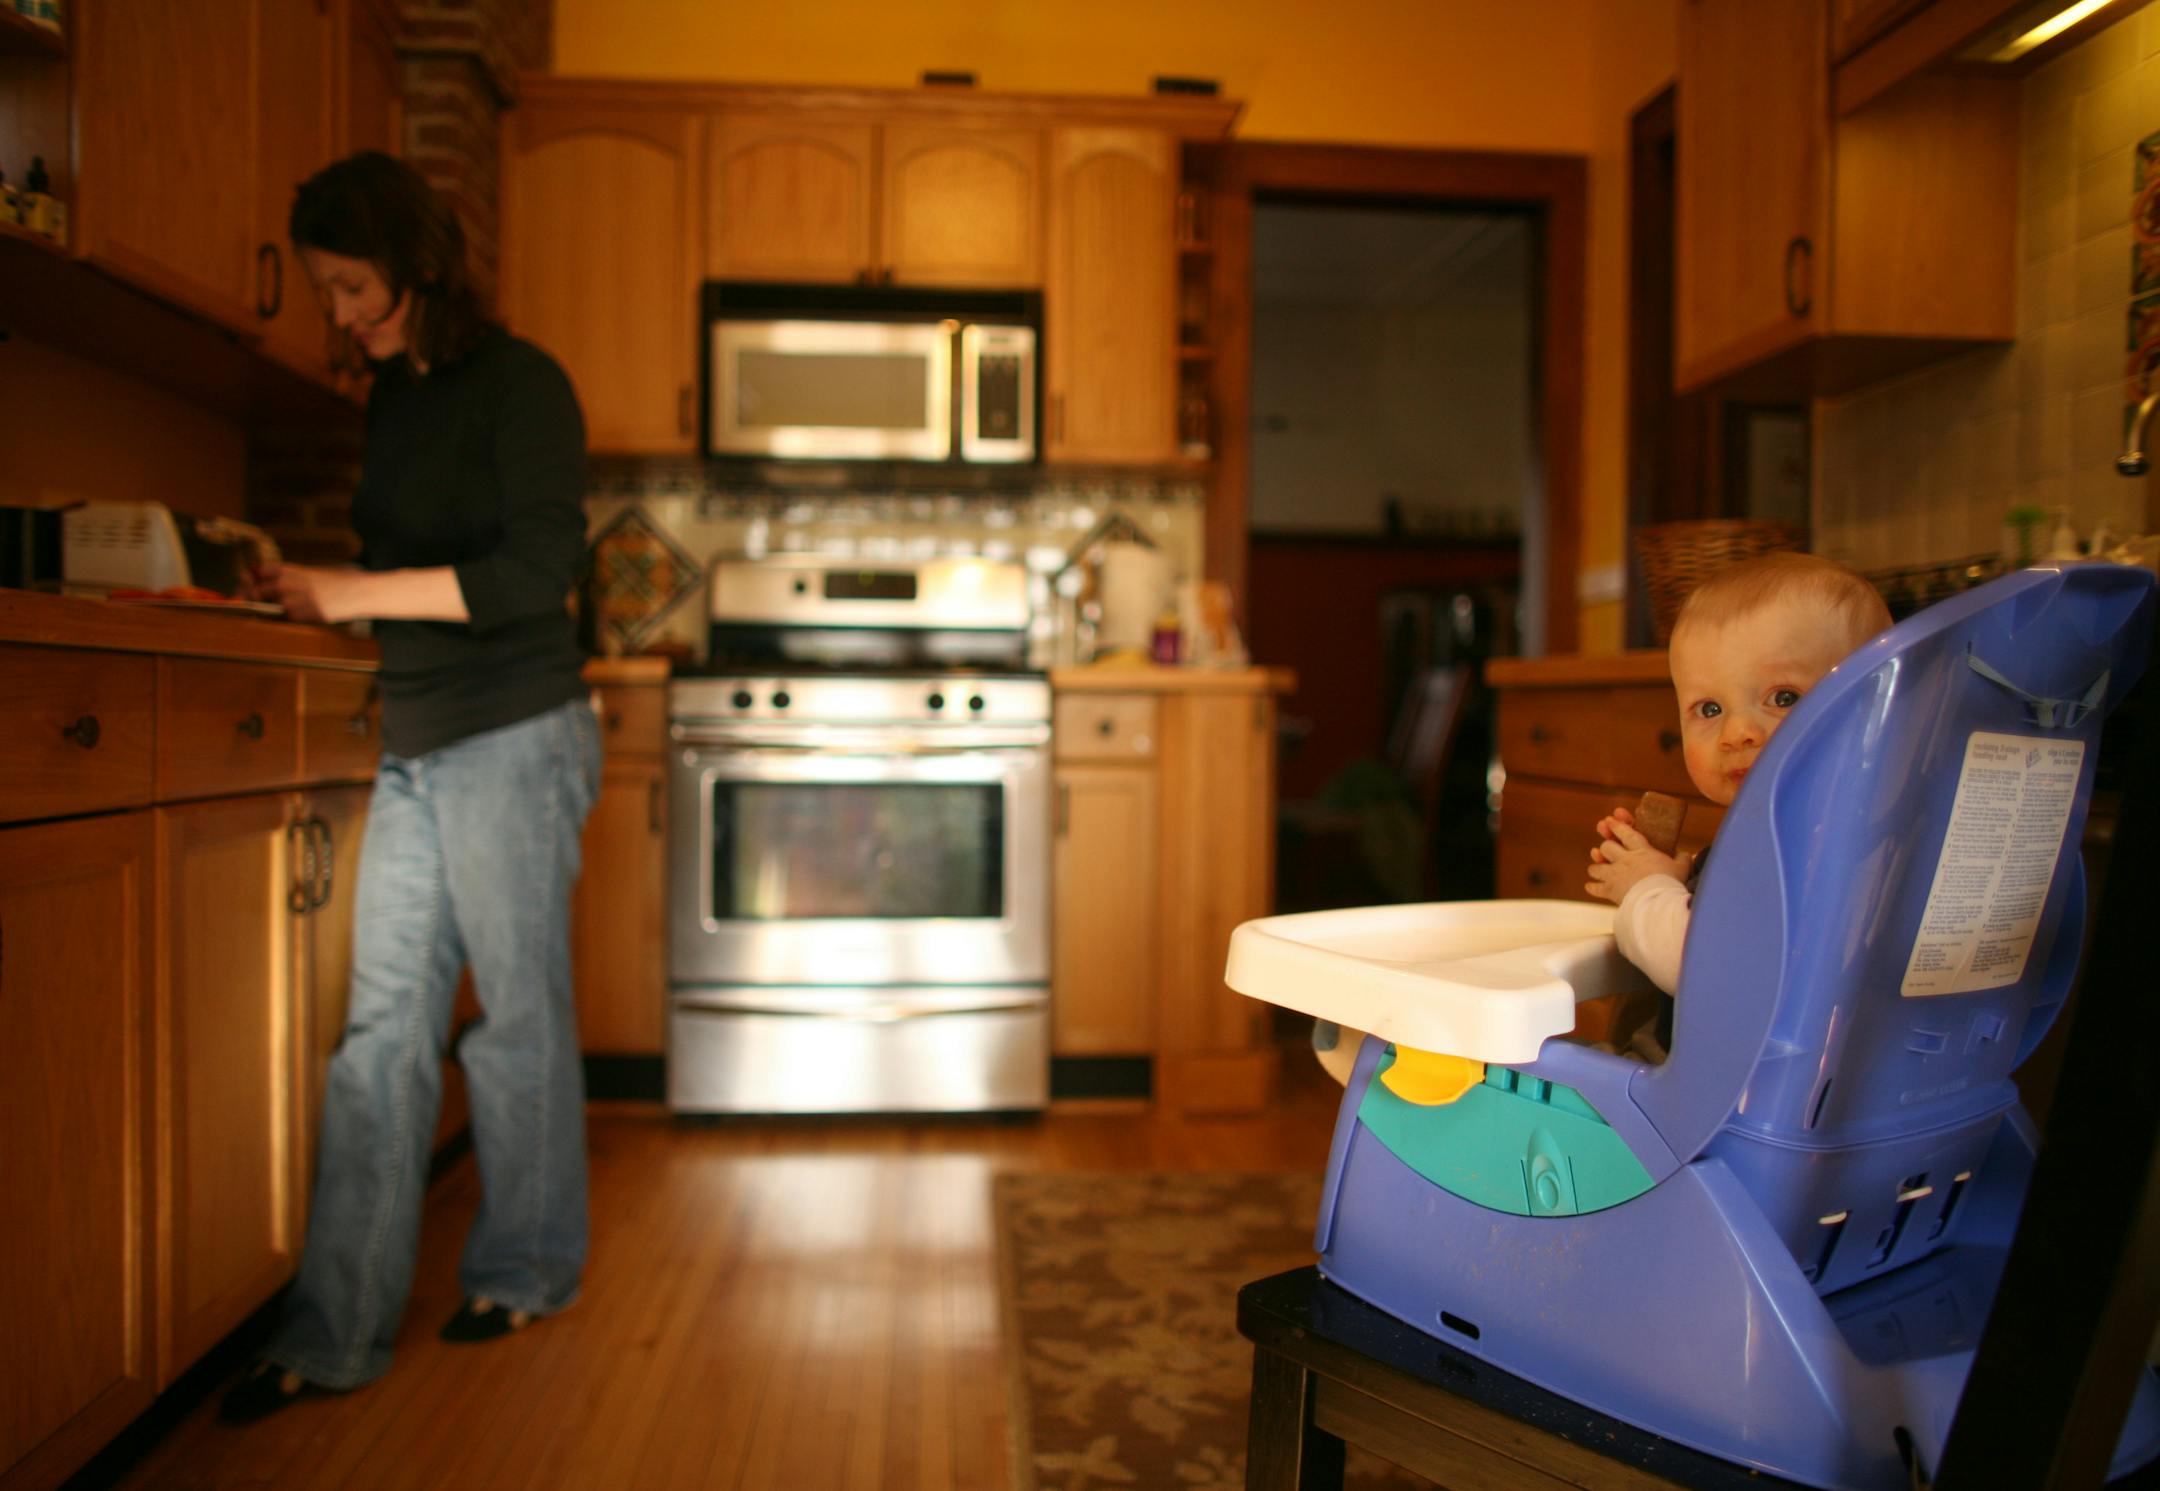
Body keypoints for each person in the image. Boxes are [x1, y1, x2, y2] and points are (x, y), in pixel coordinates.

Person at [220, 151, 599, 1422]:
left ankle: (525, 1269)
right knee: (379, 1035)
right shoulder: (392, 399)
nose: (337, 314)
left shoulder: (523, 384)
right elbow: (406, 571)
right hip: (420, 734)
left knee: (514, 1020)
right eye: (324, 291)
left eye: (351, 286)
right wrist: (313, 589)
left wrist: (353, 590)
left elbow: (536, 573)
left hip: (517, 733)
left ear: (415, 265)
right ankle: (334, 1332)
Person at [1585, 552, 1891, 996]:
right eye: (1709, 709)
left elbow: (1709, 970)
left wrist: (1645, 890)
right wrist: (1681, 880)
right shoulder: (1824, 828)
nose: (1737, 733)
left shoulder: (1808, 846)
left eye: (1783, 698)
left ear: (1871, 708)